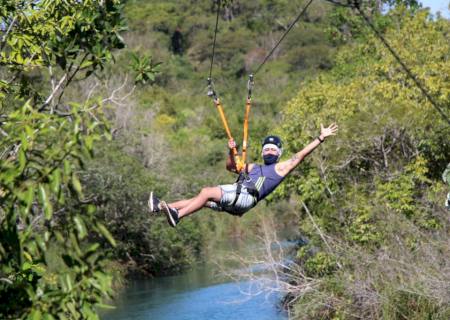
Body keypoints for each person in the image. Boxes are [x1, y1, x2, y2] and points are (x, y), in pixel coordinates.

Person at [149, 123, 338, 227]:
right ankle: (161, 207)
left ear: (279, 154)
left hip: (245, 198)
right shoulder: (254, 167)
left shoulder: (280, 169)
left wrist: (320, 138)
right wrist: (232, 151)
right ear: (263, 152)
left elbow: (300, 155)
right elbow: (231, 166)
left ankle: (178, 215)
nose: (270, 151)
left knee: (206, 192)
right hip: (238, 202)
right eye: (267, 149)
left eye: (273, 149)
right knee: (200, 199)